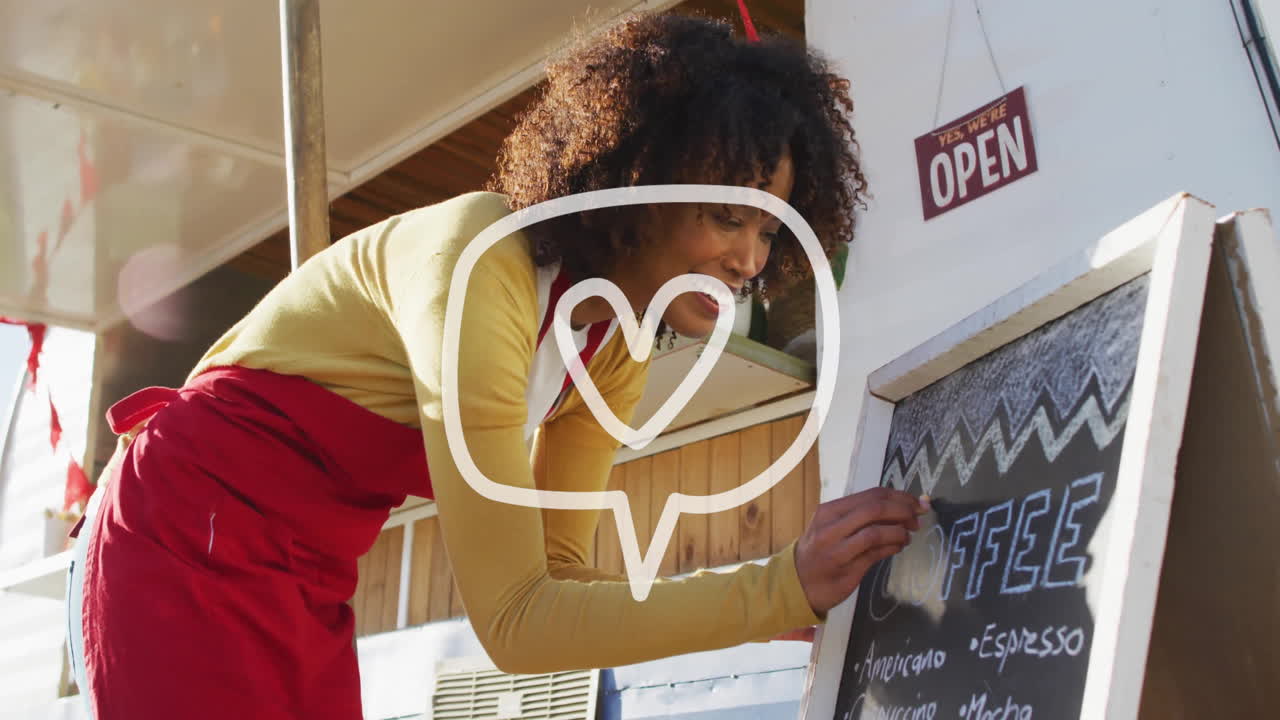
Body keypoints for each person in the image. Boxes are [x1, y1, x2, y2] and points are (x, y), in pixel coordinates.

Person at [65, 11, 926, 720]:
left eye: (770, 228)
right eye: (723, 216)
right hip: (181, 536)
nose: (748, 258)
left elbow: (560, 587)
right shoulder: (482, 262)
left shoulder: (616, 348)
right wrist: (777, 589)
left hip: (312, 576)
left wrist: (765, 616)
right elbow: (518, 622)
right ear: (636, 182)